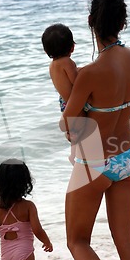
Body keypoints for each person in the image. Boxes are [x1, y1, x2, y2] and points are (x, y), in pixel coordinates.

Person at [61, 0, 130, 260]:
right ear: (122, 23)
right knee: (125, 236)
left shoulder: (91, 72)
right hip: (127, 158)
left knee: (77, 240)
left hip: (96, 163)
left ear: (90, 23)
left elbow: (70, 126)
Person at [42, 23, 78, 163]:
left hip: (64, 102)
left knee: (73, 131)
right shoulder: (68, 62)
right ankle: (75, 155)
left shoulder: (52, 66)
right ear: (72, 47)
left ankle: (73, 154)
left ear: (46, 51)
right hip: (73, 102)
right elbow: (77, 83)